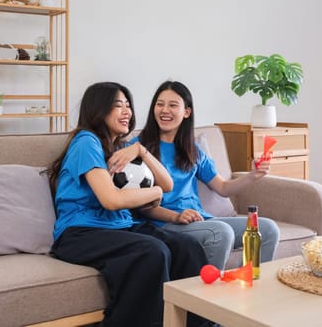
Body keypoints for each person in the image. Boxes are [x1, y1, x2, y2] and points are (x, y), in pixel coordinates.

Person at [47, 82, 211, 327]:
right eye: (117, 105)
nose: (127, 112)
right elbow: (111, 200)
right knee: (152, 252)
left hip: (119, 226)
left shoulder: (119, 147)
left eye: (128, 105)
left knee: (187, 246)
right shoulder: (86, 142)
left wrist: (141, 150)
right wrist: (153, 192)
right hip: (80, 233)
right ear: (98, 110)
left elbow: (167, 185)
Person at [131, 80, 280, 270]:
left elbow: (223, 188)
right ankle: (204, 298)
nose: (164, 110)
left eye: (172, 105)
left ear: (186, 112)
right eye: (159, 104)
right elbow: (139, 205)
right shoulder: (138, 148)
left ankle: (249, 286)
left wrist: (253, 175)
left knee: (267, 229)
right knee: (221, 233)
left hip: (200, 220)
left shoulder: (192, 149)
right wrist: (176, 216)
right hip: (163, 223)